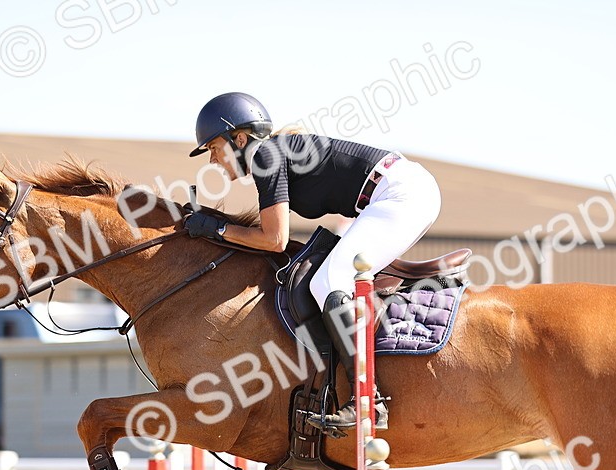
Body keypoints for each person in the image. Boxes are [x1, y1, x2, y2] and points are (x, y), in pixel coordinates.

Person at [186, 92, 442, 431]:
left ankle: (368, 401)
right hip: (402, 190)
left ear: (240, 138)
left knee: (328, 282)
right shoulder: (274, 153)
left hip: (400, 195)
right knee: (329, 276)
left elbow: (274, 240)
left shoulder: (266, 156)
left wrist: (216, 229)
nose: (213, 161)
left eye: (215, 148)